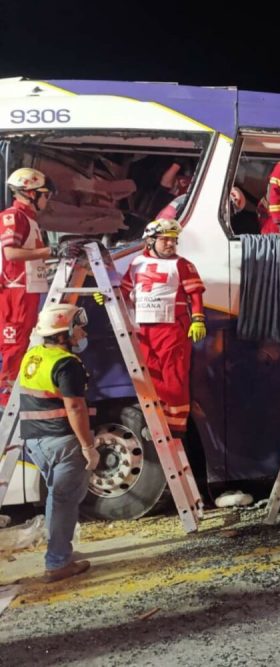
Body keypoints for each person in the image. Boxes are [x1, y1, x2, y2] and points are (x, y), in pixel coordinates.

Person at [99, 219, 206, 441]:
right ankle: (159, 421)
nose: (170, 244)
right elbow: (125, 289)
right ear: (150, 241)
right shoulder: (137, 263)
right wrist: (107, 296)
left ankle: (176, 428)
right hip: (145, 330)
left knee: (174, 376)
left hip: (173, 328)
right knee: (151, 376)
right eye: (165, 239)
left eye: (173, 240)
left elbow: (195, 294)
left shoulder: (183, 264)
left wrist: (198, 319)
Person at [18, 304, 98, 582]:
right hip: (62, 441)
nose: (83, 332)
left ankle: (60, 552)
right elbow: (75, 407)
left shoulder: (34, 355)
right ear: (64, 333)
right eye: (78, 327)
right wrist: (88, 446)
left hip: (35, 441)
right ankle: (57, 563)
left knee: (58, 498)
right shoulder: (66, 364)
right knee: (65, 501)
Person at [1, 168, 61, 406]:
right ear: (30, 193)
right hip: (16, 291)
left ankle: (17, 393)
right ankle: (7, 400)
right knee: (14, 346)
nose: (47, 200)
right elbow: (11, 253)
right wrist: (50, 251)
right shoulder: (12, 216)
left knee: (25, 343)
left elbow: (31, 255)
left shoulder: (30, 220)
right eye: (45, 194)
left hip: (30, 289)